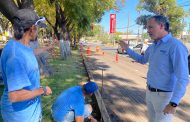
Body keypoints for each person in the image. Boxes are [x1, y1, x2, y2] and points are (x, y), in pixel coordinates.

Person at [120, 15, 189, 122]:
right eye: (147, 28)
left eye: (150, 27)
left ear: (161, 26)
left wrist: (173, 103)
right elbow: (142, 60)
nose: (148, 30)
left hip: (165, 97)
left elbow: (183, 78)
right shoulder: (153, 46)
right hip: (150, 92)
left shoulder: (176, 46)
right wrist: (127, 49)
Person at [0, 9, 52, 122]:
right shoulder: (15, 56)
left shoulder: (20, 45)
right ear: (32, 28)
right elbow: (15, 96)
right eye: (37, 28)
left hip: (30, 111)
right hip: (21, 116)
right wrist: (42, 90)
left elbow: (29, 54)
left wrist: (47, 48)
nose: (38, 31)